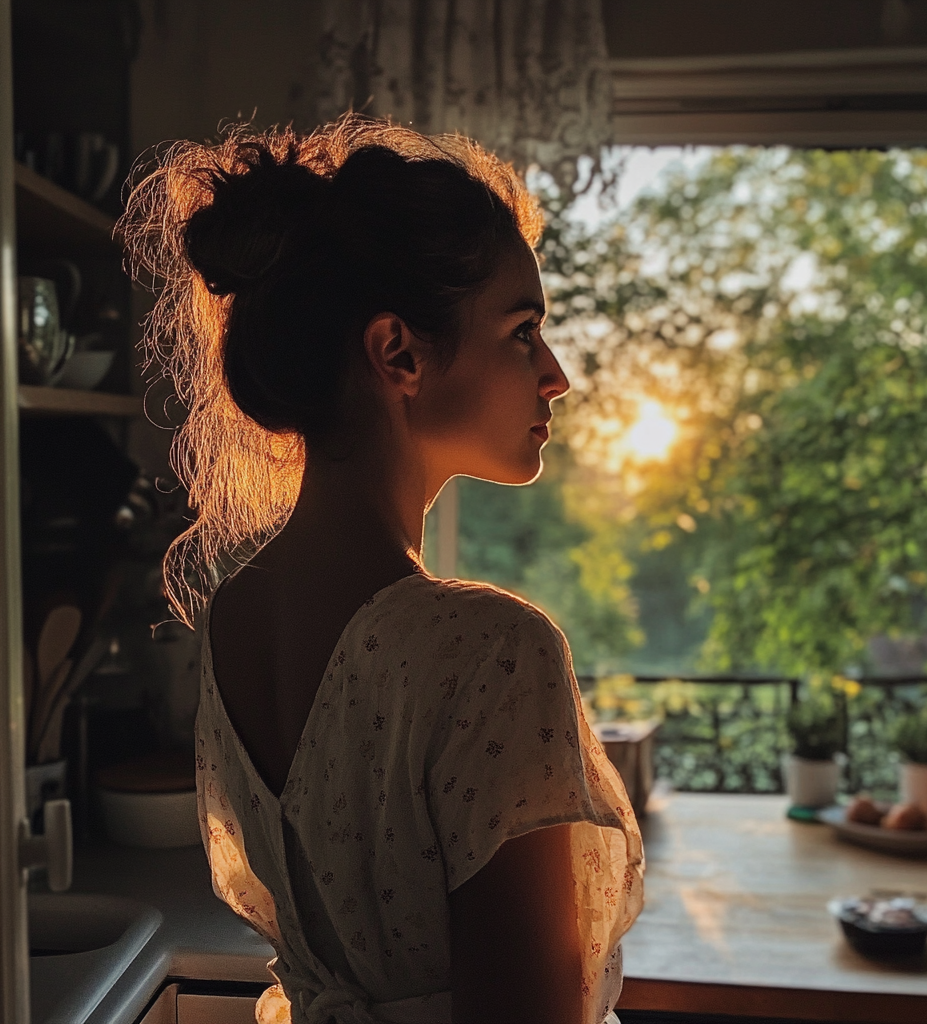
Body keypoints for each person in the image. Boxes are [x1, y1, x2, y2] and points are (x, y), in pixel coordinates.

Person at [120, 116, 644, 1024]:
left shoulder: (239, 616)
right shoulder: (491, 650)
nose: (554, 375)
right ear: (399, 352)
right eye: (523, 330)